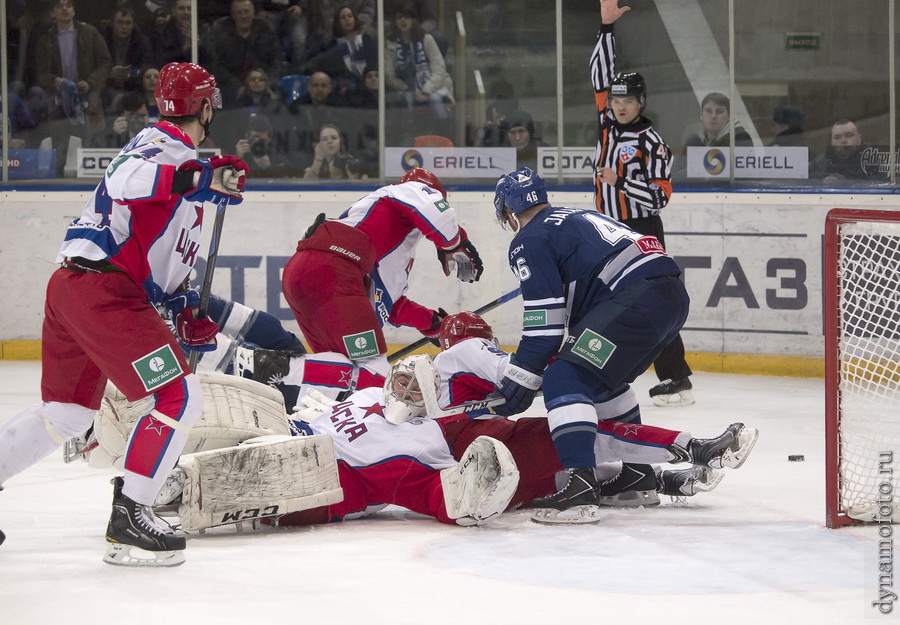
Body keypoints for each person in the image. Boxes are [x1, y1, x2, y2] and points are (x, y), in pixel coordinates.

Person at [0, 61, 249, 566]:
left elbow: (164, 258)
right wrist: (201, 176)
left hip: (79, 287)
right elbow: (125, 179)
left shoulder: (183, 169)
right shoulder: (160, 144)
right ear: (205, 106)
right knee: (179, 396)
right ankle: (131, 516)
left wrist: (182, 311)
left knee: (67, 415)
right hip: (102, 290)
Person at [490, 165, 712, 524]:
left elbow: (545, 329)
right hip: (669, 295)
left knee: (564, 377)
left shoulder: (528, 240)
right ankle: (638, 477)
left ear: (507, 212)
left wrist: (521, 379)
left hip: (637, 297)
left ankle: (580, 488)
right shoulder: (577, 214)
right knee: (598, 382)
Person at [280, 168, 484, 404]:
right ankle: (284, 368)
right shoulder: (404, 191)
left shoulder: (391, 244)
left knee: (341, 368)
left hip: (308, 275)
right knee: (378, 378)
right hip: (334, 271)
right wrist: (454, 243)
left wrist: (430, 323)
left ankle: (310, 416)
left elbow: (388, 302)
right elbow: (435, 211)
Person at [590, 0, 694, 407]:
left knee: (654, 301)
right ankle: (599, 369)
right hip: (605, 227)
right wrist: (605, 29)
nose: (619, 106)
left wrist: (621, 184)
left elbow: (660, 197)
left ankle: (677, 377)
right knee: (598, 299)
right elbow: (599, 75)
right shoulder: (606, 125)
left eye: (628, 101)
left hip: (641, 231)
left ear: (642, 103)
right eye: (616, 100)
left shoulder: (652, 142)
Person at [35, 0, 113, 171]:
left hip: (86, 97)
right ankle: (57, 178)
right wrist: (55, 80)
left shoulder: (90, 33)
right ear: (52, 13)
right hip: (59, 98)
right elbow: (40, 73)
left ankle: (92, 180)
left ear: (74, 11)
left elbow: (106, 64)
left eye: (68, 5)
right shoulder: (46, 39)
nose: (64, 8)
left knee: (89, 144)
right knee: (59, 149)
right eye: (59, 5)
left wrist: (90, 82)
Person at [384, 1, 453, 140]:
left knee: (435, 100)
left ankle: (443, 141)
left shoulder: (427, 39)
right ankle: (412, 142)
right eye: (399, 18)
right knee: (407, 101)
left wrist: (426, 90)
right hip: (406, 89)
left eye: (407, 17)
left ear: (414, 20)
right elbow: (389, 75)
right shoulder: (390, 43)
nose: (403, 21)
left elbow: (439, 69)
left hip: (433, 87)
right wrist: (410, 90)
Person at [208, 0, 286, 107]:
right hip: (232, 88)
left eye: (246, 11)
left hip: (263, 84)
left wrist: (265, 82)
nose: (243, 16)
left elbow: (277, 61)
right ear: (233, 16)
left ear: (253, 13)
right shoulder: (221, 32)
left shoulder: (265, 29)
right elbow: (216, 65)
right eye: (239, 13)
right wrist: (237, 86)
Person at [101, 4, 153, 114]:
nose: (124, 26)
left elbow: (146, 67)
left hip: (133, 87)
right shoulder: (101, 41)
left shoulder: (143, 42)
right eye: (120, 22)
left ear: (133, 25)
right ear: (112, 24)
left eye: (128, 23)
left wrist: (131, 74)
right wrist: (109, 73)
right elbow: (95, 66)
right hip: (106, 86)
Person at [809, 118, 883, 183]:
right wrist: (823, 181)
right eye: (837, 137)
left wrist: (844, 183)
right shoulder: (820, 162)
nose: (843, 141)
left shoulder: (874, 160)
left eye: (849, 135)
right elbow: (804, 181)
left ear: (859, 138)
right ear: (831, 141)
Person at [683, 92, 753, 148]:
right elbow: (679, 165)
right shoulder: (694, 142)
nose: (713, 116)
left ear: (729, 116)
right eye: (708, 111)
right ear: (701, 115)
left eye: (719, 112)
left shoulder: (739, 138)